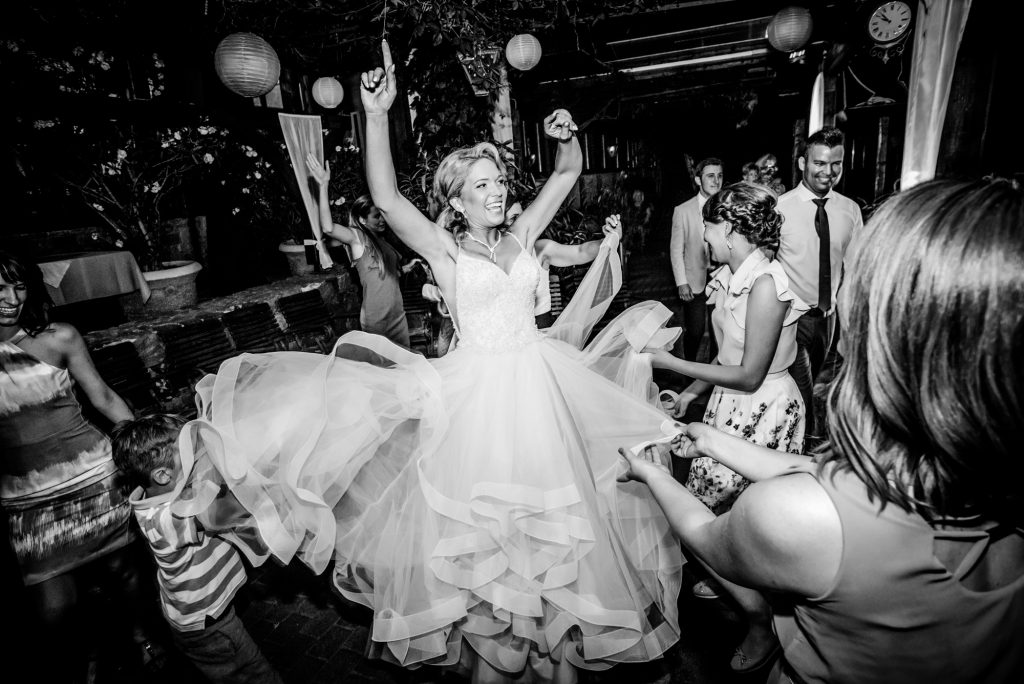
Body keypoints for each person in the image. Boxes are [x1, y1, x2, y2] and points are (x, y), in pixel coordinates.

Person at [170, 40, 685, 684]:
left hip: (542, 391)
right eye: (482, 186)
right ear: (458, 199)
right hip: (479, 401)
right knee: (491, 542)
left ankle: (554, 659)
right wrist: (376, 113)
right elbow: (385, 198)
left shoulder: (523, 236)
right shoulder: (445, 252)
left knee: (558, 530)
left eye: (499, 182)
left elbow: (565, 174)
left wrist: (567, 136)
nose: (496, 192)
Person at [620, 177, 1024, 683]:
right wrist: (707, 432)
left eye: (856, 283)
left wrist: (653, 474)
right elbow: (816, 471)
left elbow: (712, 531)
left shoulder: (797, 515)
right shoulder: (980, 500)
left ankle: (757, 622)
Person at [648, 181, 807, 672]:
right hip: (728, 405)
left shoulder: (766, 284)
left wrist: (671, 362)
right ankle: (731, 579)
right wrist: (691, 396)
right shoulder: (731, 275)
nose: (705, 237)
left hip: (763, 409)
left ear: (732, 229)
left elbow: (750, 372)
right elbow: (726, 353)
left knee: (743, 520)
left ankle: (762, 623)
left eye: (710, 227)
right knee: (715, 514)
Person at [0, 251, 159, 679]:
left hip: (93, 478)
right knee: (55, 608)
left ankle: (143, 638)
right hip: (27, 499)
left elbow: (104, 398)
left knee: (124, 572)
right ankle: (87, 654)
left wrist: (140, 452)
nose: (10, 297)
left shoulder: (59, 337)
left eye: (18, 286)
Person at [111, 414, 284, 684]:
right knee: (254, 674)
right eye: (192, 453)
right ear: (163, 475)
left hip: (195, 614)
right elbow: (228, 510)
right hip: (208, 625)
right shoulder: (169, 517)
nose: (201, 456)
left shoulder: (155, 494)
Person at [776, 127, 863, 438]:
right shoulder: (780, 209)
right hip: (791, 319)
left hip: (828, 320)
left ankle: (799, 439)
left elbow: (852, 269)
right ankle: (805, 445)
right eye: (820, 163)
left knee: (815, 386)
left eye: (835, 164)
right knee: (803, 389)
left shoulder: (850, 211)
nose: (828, 172)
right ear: (802, 163)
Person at [307, 157, 417, 348]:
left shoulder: (385, 242)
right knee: (379, 373)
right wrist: (323, 185)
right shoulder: (357, 238)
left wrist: (409, 267)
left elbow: (390, 275)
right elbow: (328, 228)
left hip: (397, 315)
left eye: (382, 215)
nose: (382, 220)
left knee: (403, 370)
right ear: (362, 219)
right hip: (376, 319)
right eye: (376, 216)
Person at [669, 157, 722, 363]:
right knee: (695, 331)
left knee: (721, 332)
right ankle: (690, 372)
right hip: (694, 278)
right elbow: (676, 250)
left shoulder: (729, 206)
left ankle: (715, 378)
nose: (716, 181)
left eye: (719, 176)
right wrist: (681, 282)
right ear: (698, 180)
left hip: (722, 278)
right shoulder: (682, 211)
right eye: (710, 176)